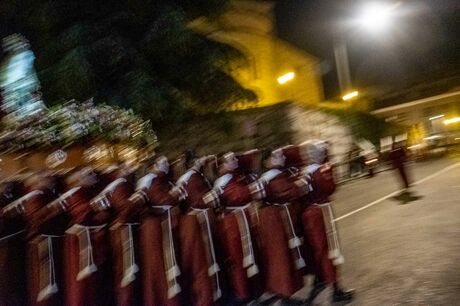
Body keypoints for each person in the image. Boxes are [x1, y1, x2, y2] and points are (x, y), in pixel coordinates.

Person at [300, 140, 353, 305]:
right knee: (330, 249)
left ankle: (319, 281)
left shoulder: (304, 173)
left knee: (319, 250)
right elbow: (331, 187)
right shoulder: (321, 171)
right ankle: (335, 290)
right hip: (321, 212)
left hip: (310, 212)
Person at [131, 155, 186, 306]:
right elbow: (156, 201)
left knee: (171, 260)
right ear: (153, 165)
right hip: (155, 228)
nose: (167, 164)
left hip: (168, 226)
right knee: (157, 264)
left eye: (167, 162)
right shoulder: (147, 180)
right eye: (164, 162)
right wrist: (171, 197)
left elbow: (181, 198)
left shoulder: (167, 180)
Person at [258, 148, 309, 305]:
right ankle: (284, 295)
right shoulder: (271, 178)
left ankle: (284, 293)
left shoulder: (278, 174)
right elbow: (288, 191)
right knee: (280, 256)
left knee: (284, 255)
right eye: (278, 156)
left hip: (278, 218)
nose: (283, 158)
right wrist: (303, 182)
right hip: (275, 220)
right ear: (269, 161)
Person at [213, 151, 263, 304]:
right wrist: (250, 190)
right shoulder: (222, 182)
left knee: (252, 252)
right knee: (237, 257)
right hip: (232, 223)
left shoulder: (240, 176)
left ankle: (254, 290)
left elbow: (251, 161)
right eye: (231, 159)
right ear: (222, 165)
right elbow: (238, 196)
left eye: (235, 158)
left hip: (245, 219)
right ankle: (242, 293)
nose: (235, 161)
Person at [176, 151, 223, 305]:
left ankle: (214, 293)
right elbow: (196, 200)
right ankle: (203, 297)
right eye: (199, 157)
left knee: (210, 257)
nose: (203, 158)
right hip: (197, 224)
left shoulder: (199, 175)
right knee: (201, 261)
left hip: (203, 221)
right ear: (194, 161)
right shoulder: (188, 178)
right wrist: (216, 194)